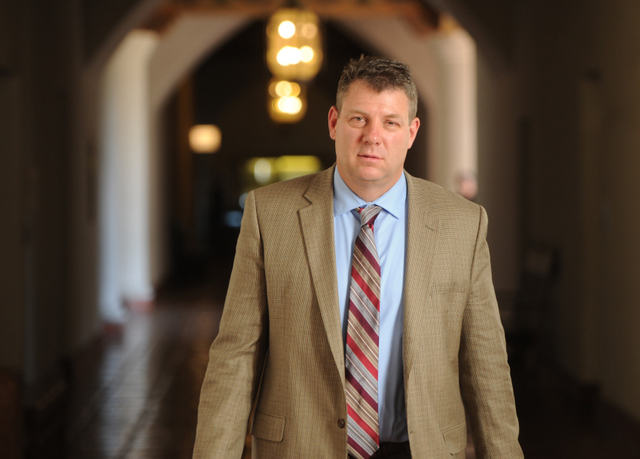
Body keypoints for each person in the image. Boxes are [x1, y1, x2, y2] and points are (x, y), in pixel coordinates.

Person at [193, 56, 523, 459]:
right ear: (334, 122)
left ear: (411, 132)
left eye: (390, 122)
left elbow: (486, 364)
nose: (372, 137)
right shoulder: (269, 214)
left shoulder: (462, 223)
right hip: (301, 449)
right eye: (358, 119)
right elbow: (236, 357)